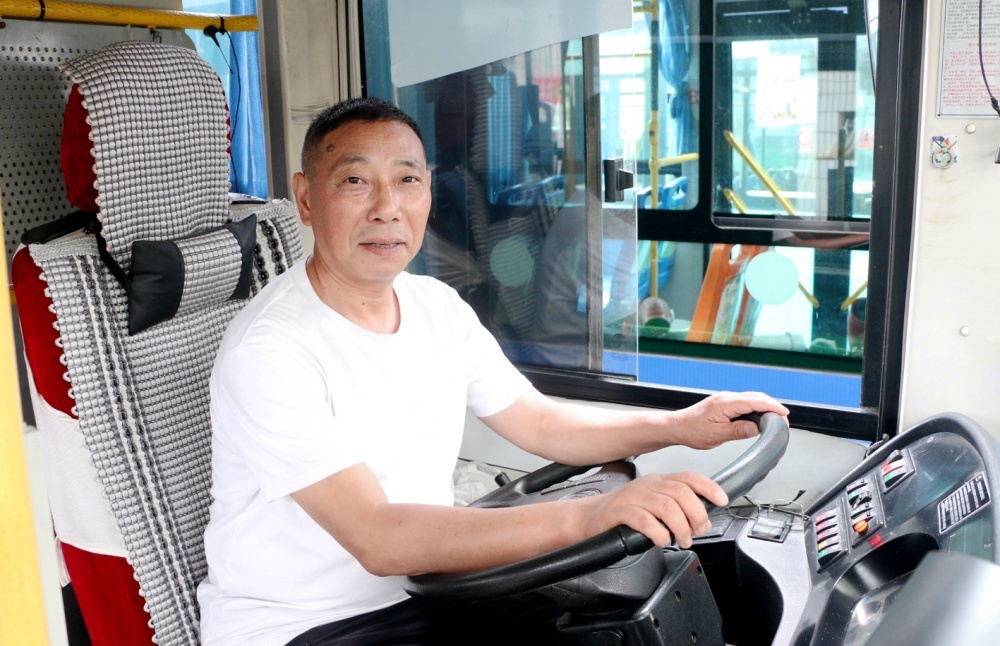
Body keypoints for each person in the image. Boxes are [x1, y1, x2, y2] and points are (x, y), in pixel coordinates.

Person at [196, 96, 789, 645]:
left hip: (430, 588)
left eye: (406, 180)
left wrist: (680, 426)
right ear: (305, 198)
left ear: (428, 192)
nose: (386, 208)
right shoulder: (271, 350)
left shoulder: (435, 306)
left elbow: (541, 423)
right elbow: (379, 538)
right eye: (355, 181)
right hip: (308, 624)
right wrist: (592, 514)